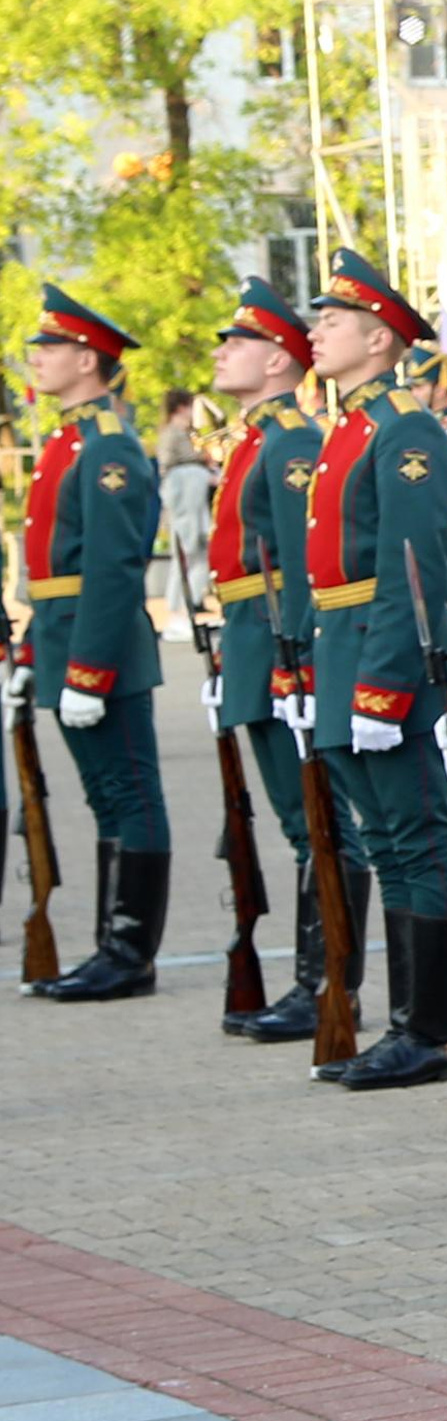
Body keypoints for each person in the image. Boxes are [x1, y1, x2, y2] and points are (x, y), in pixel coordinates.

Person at [300, 251, 447, 1088]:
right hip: (341, 646)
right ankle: (409, 1021)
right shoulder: (352, 426)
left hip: (380, 653)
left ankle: (432, 1028)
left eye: (329, 322)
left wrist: (382, 683)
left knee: (417, 839)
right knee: (386, 842)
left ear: (376, 338)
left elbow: (415, 566)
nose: (313, 333)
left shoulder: (403, 429)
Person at [206, 276, 371, 1041]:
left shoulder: (292, 442)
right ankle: (314, 979)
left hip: (283, 648)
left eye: (238, 342)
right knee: (297, 822)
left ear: (277, 360)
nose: (224, 352)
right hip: (250, 639)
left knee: (320, 826)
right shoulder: (258, 440)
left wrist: (295, 661)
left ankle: (327, 983)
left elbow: (304, 567)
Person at [17, 286, 169, 1001]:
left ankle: (131, 950)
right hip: (64, 642)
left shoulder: (109, 447)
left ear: (87, 358)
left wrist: (87, 669)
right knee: (104, 797)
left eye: (48, 348)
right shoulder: (67, 440)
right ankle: (112, 943)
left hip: (98, 649)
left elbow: (111, 569)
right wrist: (31, 655)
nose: (35, 359)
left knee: (129, 793)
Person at [155, 386, 214, 641]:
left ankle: (189, 605)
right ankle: (176, 610)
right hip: (185, 495)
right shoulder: (172, 434)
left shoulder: (185, 433)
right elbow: (171, 466)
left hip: (195, 496)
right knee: (185, 555)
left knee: (199, 554)